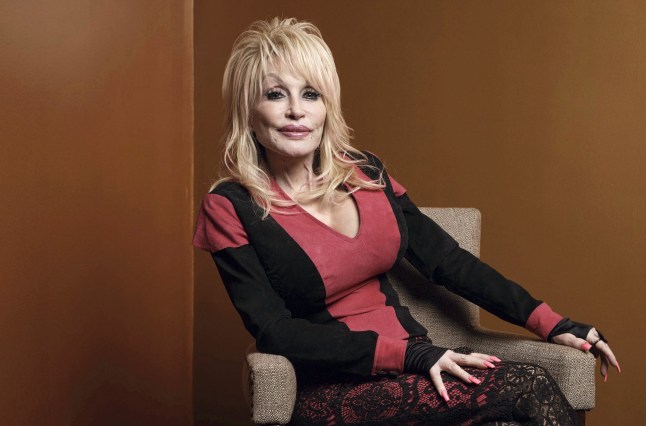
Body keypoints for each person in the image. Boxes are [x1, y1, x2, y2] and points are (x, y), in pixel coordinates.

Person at [193, 18, 620, 425]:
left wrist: (552, 323)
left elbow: (450, 262)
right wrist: (409, 355)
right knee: (530, 386)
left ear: (327, 105)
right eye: (274, 94)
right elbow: (275, 331)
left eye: (310, 94)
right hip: (330, 385)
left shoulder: (366, 173)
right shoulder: (230, 206)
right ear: (248, 111)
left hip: (418, 364)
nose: (295, 111)